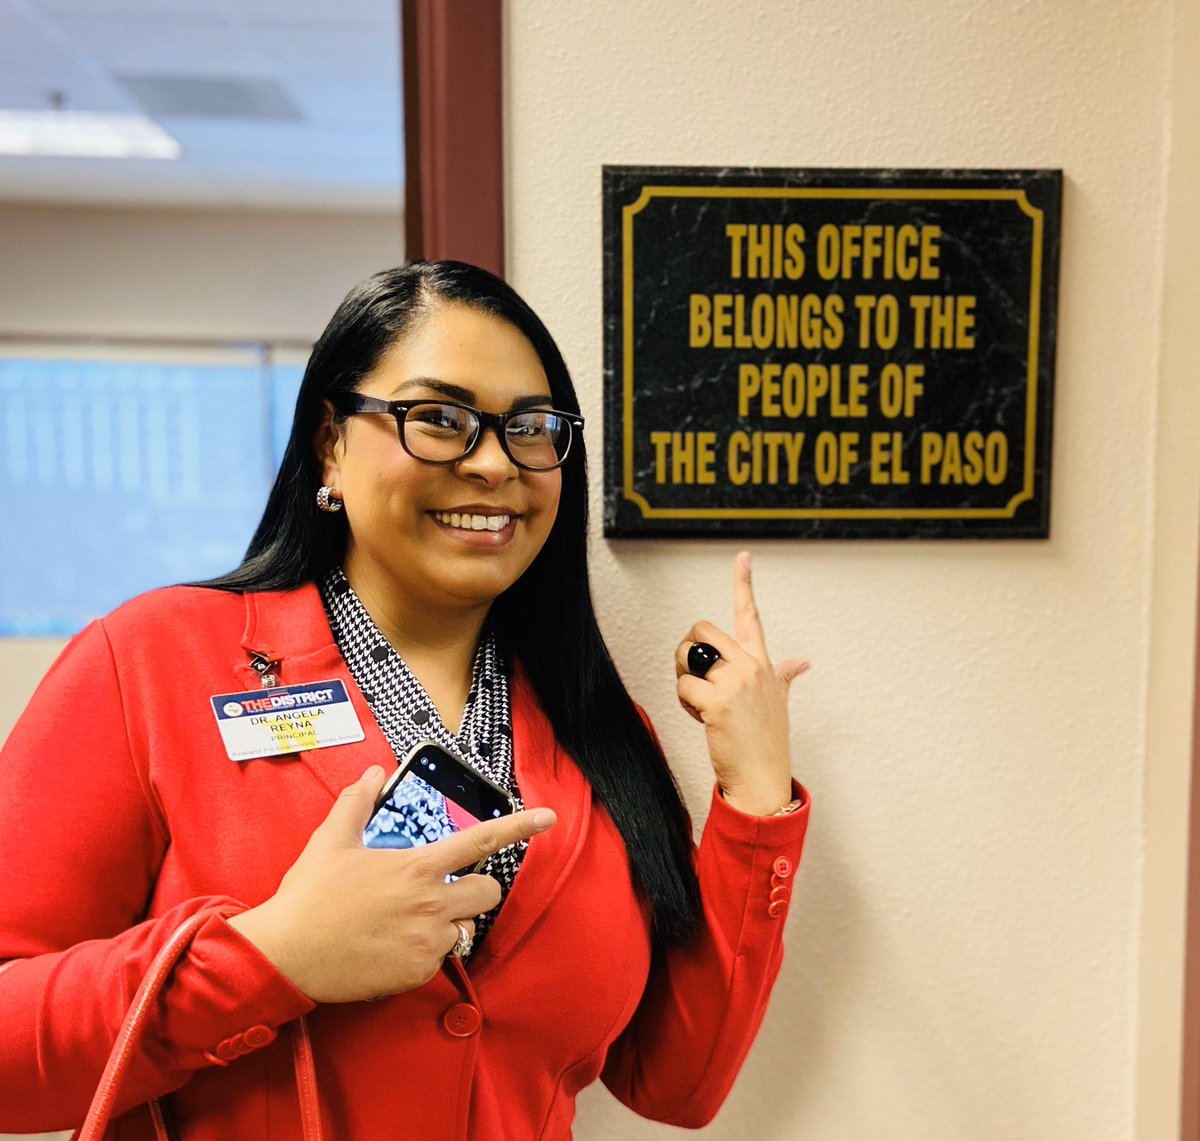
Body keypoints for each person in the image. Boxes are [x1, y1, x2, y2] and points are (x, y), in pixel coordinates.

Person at [0, 261, 810, 1139]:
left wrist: (757, 798)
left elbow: (676, 1081)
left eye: (530, 428)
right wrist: (271, 957)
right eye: (439, 419)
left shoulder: (598, 730)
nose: (494, 462)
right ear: (330, 442)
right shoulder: (152, 660)